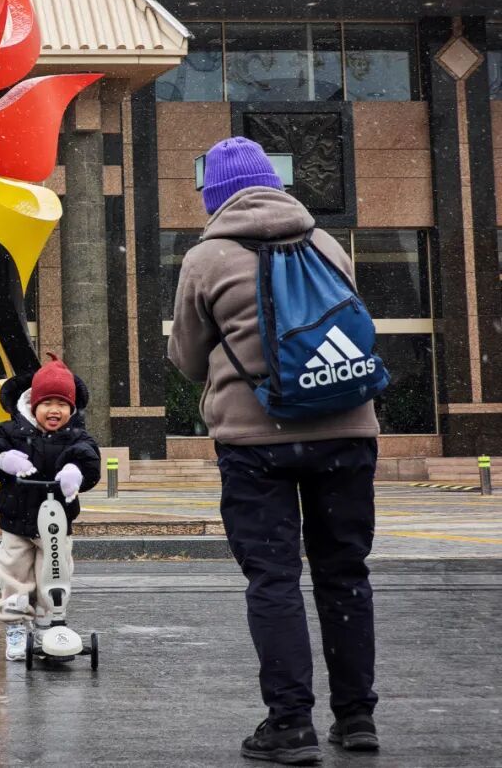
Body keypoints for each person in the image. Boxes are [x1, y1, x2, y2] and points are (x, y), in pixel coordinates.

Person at [169, 137, 381, 764]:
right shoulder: (325, 243)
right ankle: (358, 716)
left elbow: (184, 359)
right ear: (274, 186)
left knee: (274, 580)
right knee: (345, 575)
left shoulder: (207, 257)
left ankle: (290, 724)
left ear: (214, 197)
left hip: (255, 442)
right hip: (346, 430)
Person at [0, 354, 101, 661]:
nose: (54, 410)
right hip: (17, 519)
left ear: (72, 408)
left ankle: (49, 621)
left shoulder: (76, 437)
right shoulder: (12, 431)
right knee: (14, 572)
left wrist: (76, 473)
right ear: (33, 404)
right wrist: (4, 459)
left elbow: (89, 457)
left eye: (62, 404)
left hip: (56, 522)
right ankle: (16, 626)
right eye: (47, 403)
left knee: (56, 570)